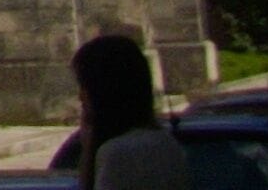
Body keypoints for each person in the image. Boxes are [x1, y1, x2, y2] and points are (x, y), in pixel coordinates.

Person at [75, 33, 189, 190]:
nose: (80, 96)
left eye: (84, 86)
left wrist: (87, 150)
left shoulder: (117, 153)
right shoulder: (165, 142)